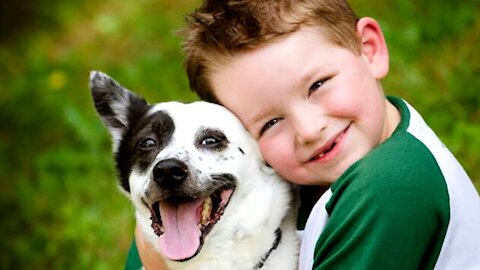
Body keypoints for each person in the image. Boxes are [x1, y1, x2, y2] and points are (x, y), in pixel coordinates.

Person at [130, 0, 480, 269]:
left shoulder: (389, 188)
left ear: (369, 49)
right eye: (270, 123)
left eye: (318, 85)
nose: (309, 131)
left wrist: (160, 263)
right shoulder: (300, 175)